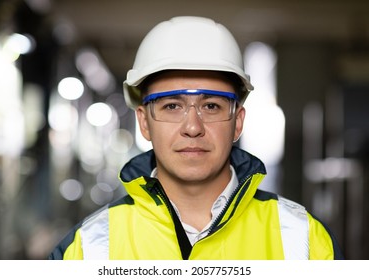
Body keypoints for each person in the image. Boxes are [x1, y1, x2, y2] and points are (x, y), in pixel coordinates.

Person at [49, 16, 343, 260]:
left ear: (238, 122)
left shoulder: (304, 240)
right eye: (172, 106)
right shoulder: (88, 248)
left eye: (211, 106)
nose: (192, 127)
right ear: (144, 122)